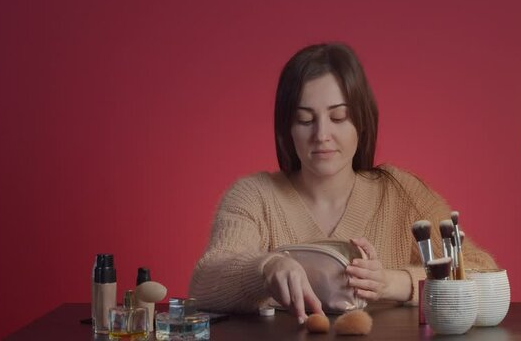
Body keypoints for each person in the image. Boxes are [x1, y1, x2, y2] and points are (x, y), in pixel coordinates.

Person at [189, 43, 497, 324]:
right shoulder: (253, 196)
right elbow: (205, 284)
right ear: (286, 130)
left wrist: (393, 282)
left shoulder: (402, 194)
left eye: (338, 117)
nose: (321, 135)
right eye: (305, 120)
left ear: (362, 122)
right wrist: (265, 269)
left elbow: (483, 272)